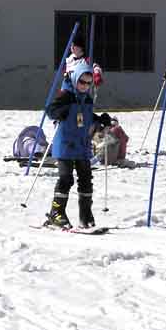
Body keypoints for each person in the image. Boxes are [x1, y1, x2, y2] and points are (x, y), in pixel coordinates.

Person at [45, 62, 111, 229]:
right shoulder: (66, 95)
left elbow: (87, 117)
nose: (85, 86)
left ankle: (85, 214)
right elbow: (50, 110)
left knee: (86, 178)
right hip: (65, 145)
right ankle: (56, 212)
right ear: (75, 80)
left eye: (89, 83)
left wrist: (100, 120)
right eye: (82, 82)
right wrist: (61, 111)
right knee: (66, 178)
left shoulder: (87, 99)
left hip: (82, 145)